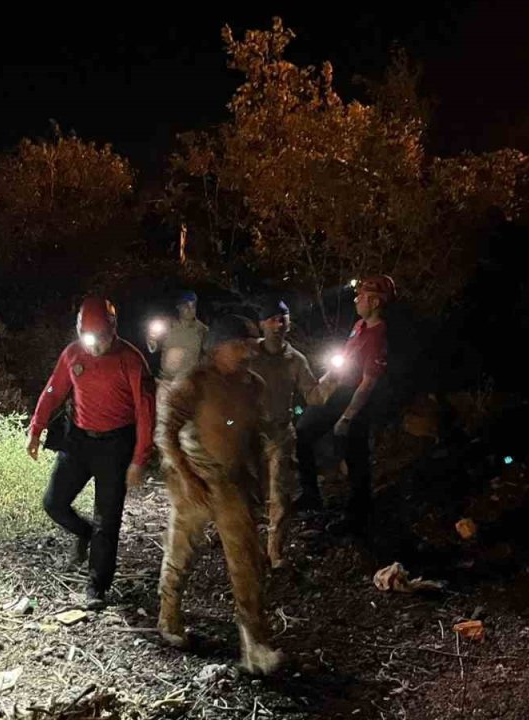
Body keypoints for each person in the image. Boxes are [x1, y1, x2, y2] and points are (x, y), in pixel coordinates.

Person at [155, 315, 282, 675]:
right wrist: (185, 475)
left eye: (250, 344)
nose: (248, 351)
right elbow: (166, 431)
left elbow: (255, 435)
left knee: (246, 562)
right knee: (180, 549)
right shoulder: (193, 383)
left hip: (231, 482)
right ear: (218, 348)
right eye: (240, 344)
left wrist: (258, 480)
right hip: (194, 479)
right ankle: (168, 617)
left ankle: (253, 640)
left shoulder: (252, 385)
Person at [27, 297, 156, 609]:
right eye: (89, 338)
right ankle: (84, 534)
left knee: (106, 519)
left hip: (116, 445)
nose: (95, 346)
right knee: (53, 503)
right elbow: (53, 390)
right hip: (80, 440)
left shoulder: (132, 360)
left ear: (113, 330)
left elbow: (146, 413)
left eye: (101, 338)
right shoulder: (73, 354)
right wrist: (35, 428)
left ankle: (96, 586)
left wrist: (139, 459)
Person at [295, 275, 395, 534]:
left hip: (355, 400)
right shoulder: (361, 325)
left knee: (355, 455)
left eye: (361, 296)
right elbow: (346, 359)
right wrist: (324, 385)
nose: (356, 299)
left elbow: (368, 383)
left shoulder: (377, 335)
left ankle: (358, 514)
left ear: (374, 301)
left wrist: (347, 418)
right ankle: (310, 494)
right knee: (303, 431)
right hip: (338, 393)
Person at [246, 300, 324, 568]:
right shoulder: (248, 354)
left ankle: (274, 551)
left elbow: (314, 396)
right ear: (261, 324)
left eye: (284, 319)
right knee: (250, 494)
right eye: (273, 319)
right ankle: (250, 548)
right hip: (250, 434)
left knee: (280, 495)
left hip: (280, 433)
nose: (279, 324)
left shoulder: (296, 360)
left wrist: (334, 377)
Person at [147, 291, 208, 400]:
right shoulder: (168, 326)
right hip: (167, 383)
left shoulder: (202, 330)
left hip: (189, 385)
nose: (190, 309)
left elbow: (206, 356)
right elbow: (154, 349)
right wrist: (152, 339)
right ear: (179, 307)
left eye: (193, 305)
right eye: (186, 305)